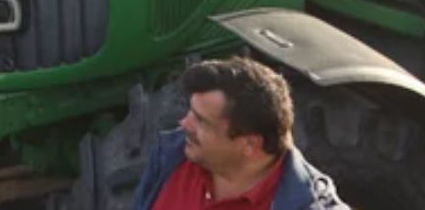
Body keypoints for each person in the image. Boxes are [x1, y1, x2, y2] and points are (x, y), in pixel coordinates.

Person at [133, 57, 347, 210]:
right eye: (190, 112)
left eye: (201, 121)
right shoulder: (171, 155)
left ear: (250, 145)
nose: (184, 124)